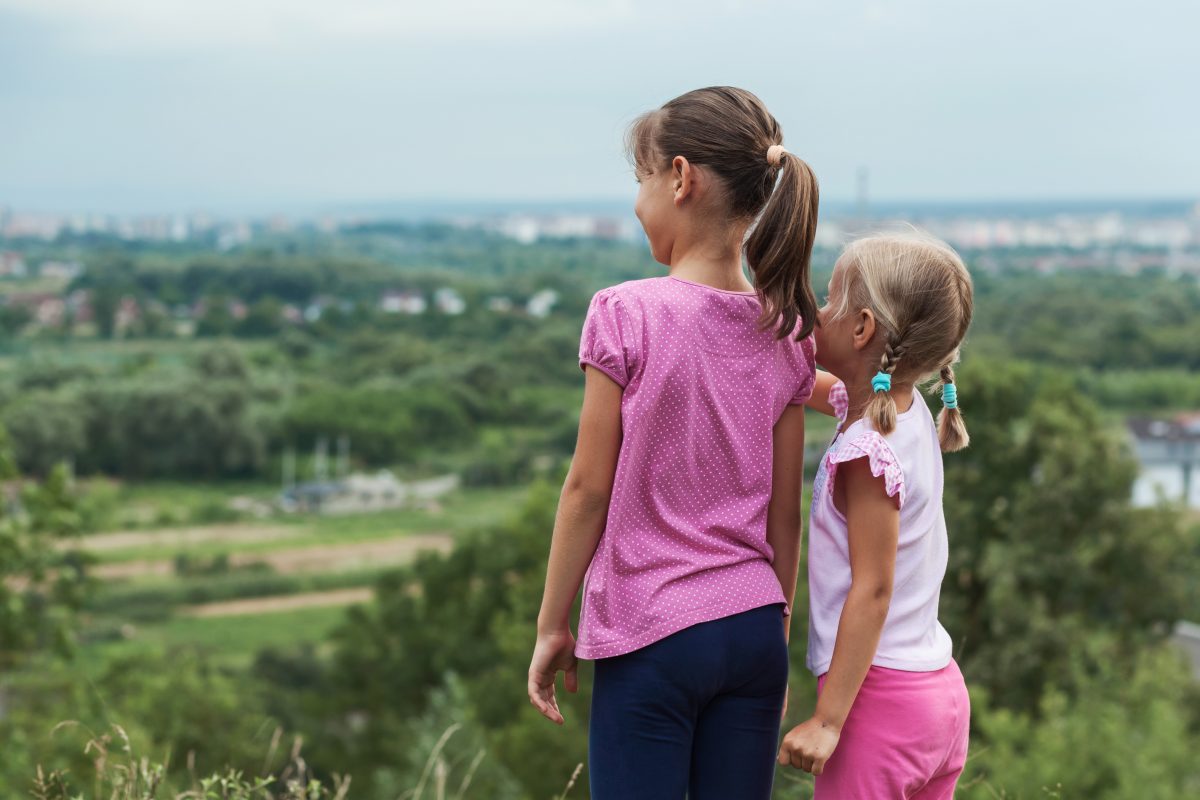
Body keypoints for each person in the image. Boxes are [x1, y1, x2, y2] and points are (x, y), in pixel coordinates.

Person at [526, 86, 819, 799]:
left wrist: (552, 624)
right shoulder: (787, 333)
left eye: (641, 180)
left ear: (681, 179)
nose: (637, 202)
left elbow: (588, 489)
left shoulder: (624, 314)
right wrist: (770, 634)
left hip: (652, 630)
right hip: (752, 626)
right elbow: (786, 513)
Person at [778, 231, 974, 798]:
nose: (814, 309)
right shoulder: (903, 413)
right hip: (938, 697)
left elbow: (873, 589)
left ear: (862, 328)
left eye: (829, 298)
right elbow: (817, 387)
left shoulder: (867, 453)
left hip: (878, 707)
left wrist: (829, 720)